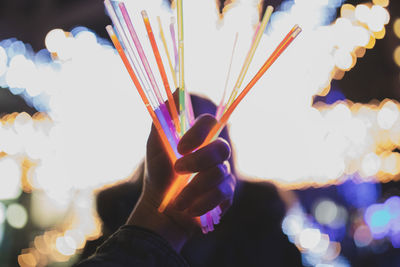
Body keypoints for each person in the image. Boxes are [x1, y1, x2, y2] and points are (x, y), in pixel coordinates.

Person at [74, 94, 302, 267]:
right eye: (178, 135)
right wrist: (156, 220)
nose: (196, 153)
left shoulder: (271, 244)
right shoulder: (110, 242)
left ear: (228, 148)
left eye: (214, 137)